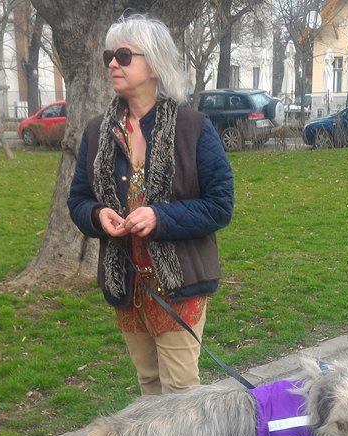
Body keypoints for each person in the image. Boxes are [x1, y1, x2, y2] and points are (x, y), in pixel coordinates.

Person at [67, 14, 234, 396]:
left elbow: (220, 205)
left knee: (180, 392)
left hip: (180, 284)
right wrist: (96, 215)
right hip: (126, 282)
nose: (112, 63)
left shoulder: (193, 128)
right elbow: (77, 199)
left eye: (124, 55)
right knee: (148, 384)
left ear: (155, 64)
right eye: (110, 55)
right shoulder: (97, 131)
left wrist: (160, 217)